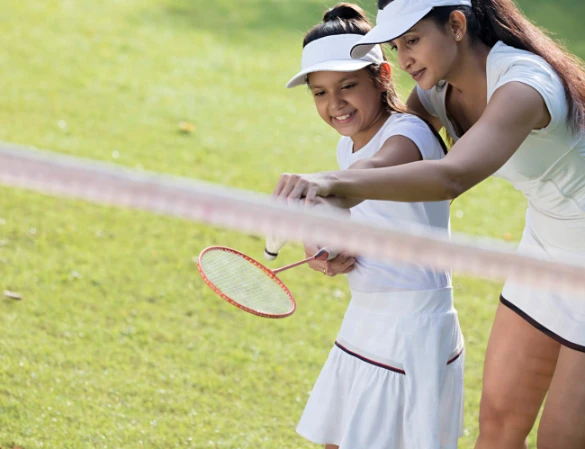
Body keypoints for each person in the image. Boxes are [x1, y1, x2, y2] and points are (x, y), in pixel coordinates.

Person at [274, 1, 585, 448]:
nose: (404, 59)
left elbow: (450, 178)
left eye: (413, 40)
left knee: (560, 437)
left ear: (456, 25)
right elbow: (391, 154)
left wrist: (331, 184)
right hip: (543, 249)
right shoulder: (437, 91)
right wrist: (330, 221)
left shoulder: (523, 84)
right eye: (396, 46)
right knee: (498, 426)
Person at [284, 4, 465, 448]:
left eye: (347, 86)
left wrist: (323, 188)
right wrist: (325, 247)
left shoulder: (407, 136)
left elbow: (374, 172)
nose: (335, 104)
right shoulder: (348, 147)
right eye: (320, 92)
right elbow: (358, 213)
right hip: (366, 315)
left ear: (382, 75)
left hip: (411, 326)